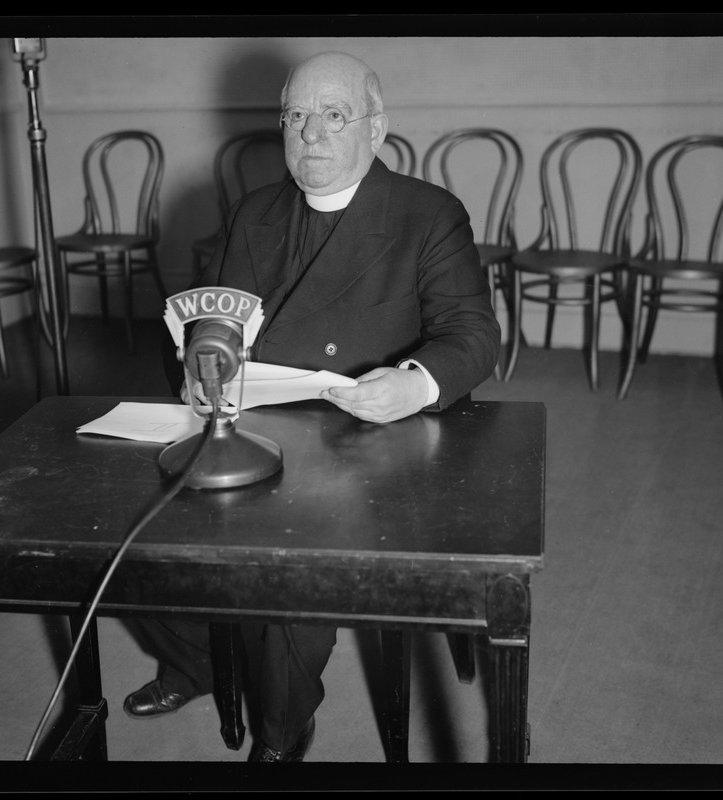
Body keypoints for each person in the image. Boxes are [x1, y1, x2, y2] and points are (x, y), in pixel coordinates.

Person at [124, 51, 501, 762]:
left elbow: (473, 332)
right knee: (122, 527)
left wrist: (413, 381)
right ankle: (196, 659)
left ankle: (281, 732)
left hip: (373, 436)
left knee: (294, 562)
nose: (312, 135)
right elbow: (217, 319)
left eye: (334, 115)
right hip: (261, 423)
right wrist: (203, 364)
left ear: (376, 127)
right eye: (296, 116)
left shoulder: (427, 213)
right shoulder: (254, 211)